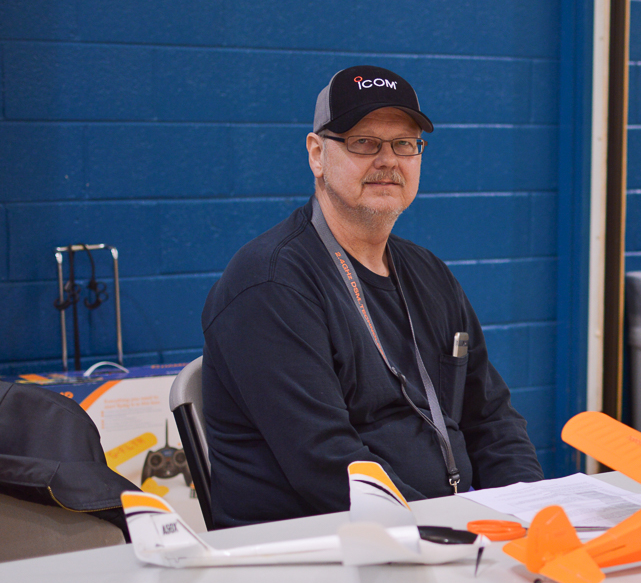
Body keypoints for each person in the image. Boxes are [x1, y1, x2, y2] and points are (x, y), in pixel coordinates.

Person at [201, 65, 543, 528]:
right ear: (317, 154)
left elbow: (493, 420)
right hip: (320, 549)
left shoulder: (429, 273)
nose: (388, 160)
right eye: (364, 142)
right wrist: (450, 532)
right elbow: (329, 465)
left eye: (404, 144)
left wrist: (526, 513)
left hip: (446, 531)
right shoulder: (271, 283)